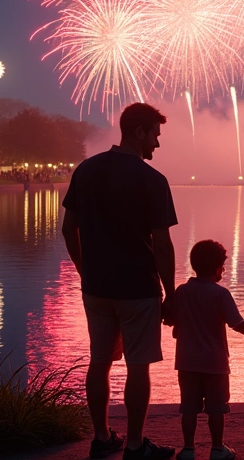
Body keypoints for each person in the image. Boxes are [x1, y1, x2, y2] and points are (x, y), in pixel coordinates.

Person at [61, 102, 178, 460]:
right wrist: (170, 294)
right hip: (137, 289)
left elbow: (69, 229)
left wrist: (85, 271)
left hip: (96, 288)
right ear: (139, 132)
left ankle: (101, 437)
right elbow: (162, 245)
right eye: (155, 136)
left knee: (100, 361)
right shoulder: (152, 180)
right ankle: (135, 444)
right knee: (137, 366)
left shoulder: (87, 170)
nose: (157, 145)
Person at [172, 240, 244, 460]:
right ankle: (218, 448)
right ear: (217, 268)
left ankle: (188, 449)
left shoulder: (182, 291)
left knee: (188, 408)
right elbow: (236, 322)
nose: (224, 270)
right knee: (217, 408)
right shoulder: (220, 294)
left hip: (187, 362)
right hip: (215, 363)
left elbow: (174, 321)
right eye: (223, 266)